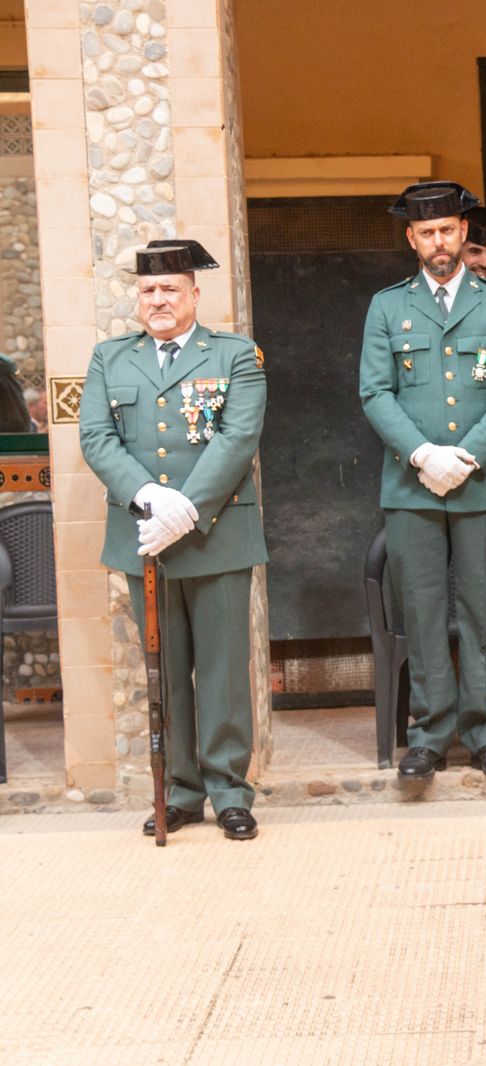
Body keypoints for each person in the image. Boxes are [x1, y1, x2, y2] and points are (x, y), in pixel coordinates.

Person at [78, 239, 267, 841]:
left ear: (194, 295)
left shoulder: (235, 355)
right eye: (148, 291)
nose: (158, 300)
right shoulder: (111, 358)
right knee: (166, 666)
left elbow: (238, 437)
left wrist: (184, 508)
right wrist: (148, 497)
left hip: (216, 535)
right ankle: (180, 790)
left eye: (170, 289)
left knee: (221, 669)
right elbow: (96, 437)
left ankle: (229, 790)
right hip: (143, 534)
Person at [358, 181, 486, 782]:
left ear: (464, 233)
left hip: (482, 484)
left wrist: (466, 456)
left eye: (448, 230)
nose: (439, 241)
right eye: (426, 232)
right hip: (411, 487)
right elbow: (374, 392)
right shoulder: (388, 306)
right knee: (423, 608)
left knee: (485, 608)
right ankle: (429, 735)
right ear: (412, 239)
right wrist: (421, 456)